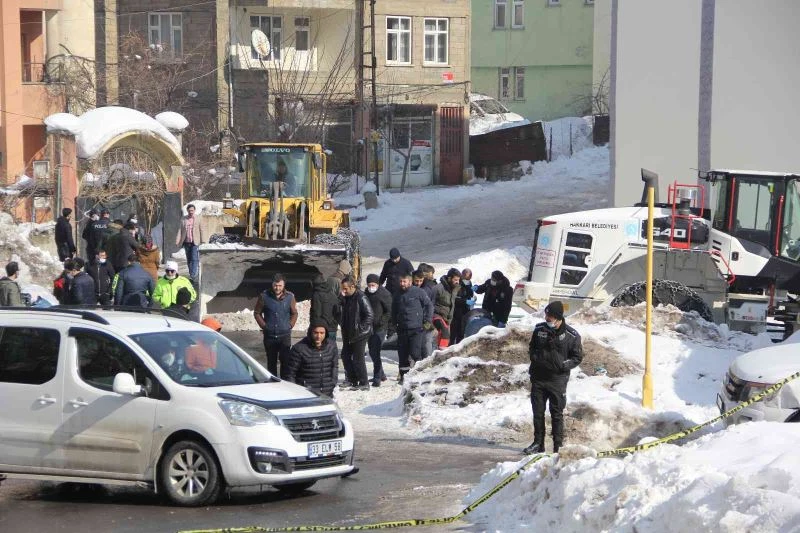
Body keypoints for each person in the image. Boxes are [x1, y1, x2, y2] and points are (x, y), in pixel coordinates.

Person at [523, 301, 583, 455]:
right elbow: (532, 347)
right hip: (539, 378)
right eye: (546, 315)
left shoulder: (572, 335)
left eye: (550, 316)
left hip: (557, 381)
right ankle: (538, 443)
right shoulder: (539, 329)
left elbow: (577, 358)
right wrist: (535, 357)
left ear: (558, 317)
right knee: (538, 412)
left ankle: (558, 446)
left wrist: (563, 365)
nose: (547, 318)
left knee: (556, 414)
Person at [253, 273, 297, 378]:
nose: (277, 288)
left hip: (284, 336)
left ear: (284, 285)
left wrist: (290, 325)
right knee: (271, 362)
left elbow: (294, 313)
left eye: (280, 285)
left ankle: (284, 384)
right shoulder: (264, 296)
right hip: (270, 336)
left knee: (285, 362)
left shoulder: (290, 297)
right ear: (272, 284)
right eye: (275, 285)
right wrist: (264, 326)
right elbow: (257, 313)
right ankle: (273, 385)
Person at [392, 273, 433, 384]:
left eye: (404, 281)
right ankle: (403, 377)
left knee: (415, 353)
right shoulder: (397, 294)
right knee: (403, 355)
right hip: (402, 329)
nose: (402, 284)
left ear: (410, 282)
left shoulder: (418, 292)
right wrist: (392, 325)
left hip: (416, 329)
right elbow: (393, 311)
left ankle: (419, 374)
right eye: (401, 281)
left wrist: (427, 321)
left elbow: (429, 305)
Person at [285, 320, 339, 398]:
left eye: (322, 333)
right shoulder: (299, 349)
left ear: (326, 333)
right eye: (316, 333)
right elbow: (290, 374)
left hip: (327, 393)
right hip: (306, 395)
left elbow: (334, 366)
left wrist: (333, 382)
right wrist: (296, 392)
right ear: (310, 332)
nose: (318, 336)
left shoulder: (331, 346)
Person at [338, 276, 374, 390]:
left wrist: (361, 328)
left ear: (352, 286)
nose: (344, 291)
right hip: (348, 332)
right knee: (345, 355)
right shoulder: (347, 298)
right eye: (342, 289)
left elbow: (370, 315)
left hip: (360, 333)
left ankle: (364, 382)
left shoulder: (361, 297)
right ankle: (352, 379)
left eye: (345, 289)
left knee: (358, 358)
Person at [365, 274, 391, 386]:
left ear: (378, 284)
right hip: (369, 327)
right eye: (369, 285)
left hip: (380, 327)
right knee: (372, 351)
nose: (371, 287)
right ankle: (382, 375)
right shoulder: (366, 293)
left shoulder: (384, 294)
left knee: (375, 351)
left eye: (373, 285)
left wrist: (382, 321)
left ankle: (377, 377)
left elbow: (389, 311)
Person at [432, 268, 461, 350]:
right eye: (455, 280)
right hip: (437, 315)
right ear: (449, 278)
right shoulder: (438, 288)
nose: (457, 282)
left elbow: (454, 301)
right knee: (444, 333)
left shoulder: (455, 288)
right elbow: (430, 303)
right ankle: (441, 353)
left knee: (446, 337)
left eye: (458, 280)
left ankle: (439, 351)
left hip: (448, 317)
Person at [176, 204, 205, 281]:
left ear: (194, 210)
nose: (191, 212)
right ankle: (191, 273)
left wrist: (203, 241)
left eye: (192, 210)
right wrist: (178, 240)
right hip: (186, 242)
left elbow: (202, 230)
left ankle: (193, 275)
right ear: (187, 211)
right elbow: (180, 230)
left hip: (195, 242)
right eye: (189, 210)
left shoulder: (198, 218)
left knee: (194, 258)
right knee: (189, 259)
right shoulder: (183, 219)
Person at [413, 269, 437, 359]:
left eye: (420, 281)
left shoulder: (425, 290)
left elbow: (430, 306)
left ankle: (427, 361)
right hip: (414, 321)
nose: (418, 283)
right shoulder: (410, 288)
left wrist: (428, 321)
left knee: (426, 343)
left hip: (424, 321)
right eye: (416, 281)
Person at [310, 273, 340, 342]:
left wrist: (313, 327)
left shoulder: (316, 294)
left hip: (321, 330)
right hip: (332, 327)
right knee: (331, 349)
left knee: (321, 350)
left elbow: (316, 313)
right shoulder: (332, 293)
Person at [451, 268, 475, 345]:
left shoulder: (469, 283)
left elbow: (469, 294)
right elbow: (453, 298)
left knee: (461, 332)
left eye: (469, 278)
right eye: (465, 278)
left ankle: (458, 347)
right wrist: (465, 301)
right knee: (453, 333)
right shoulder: (457, 283)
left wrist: (471, 291)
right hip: (455, 312)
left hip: (465, 311)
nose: (467, 280)